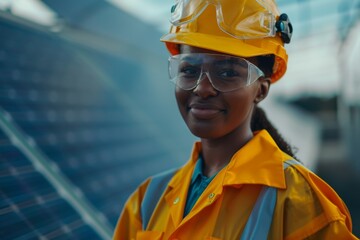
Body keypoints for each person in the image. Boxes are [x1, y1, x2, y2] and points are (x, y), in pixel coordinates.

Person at [113, 0, 358, 239]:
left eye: (228, 72)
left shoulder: (298, 200)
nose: (203, 89)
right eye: (188, 70)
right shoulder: (146, 201)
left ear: (261, 90)